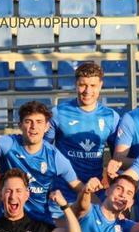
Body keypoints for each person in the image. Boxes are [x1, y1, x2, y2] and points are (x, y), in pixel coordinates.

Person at [0, 101, 81, 225]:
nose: (33, 127)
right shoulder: (8, 144)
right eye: (28, 121)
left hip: (39, 224)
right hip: (6, 221)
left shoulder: (55, 157)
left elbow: (77, 185)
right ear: (20, 125)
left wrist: (90, 192)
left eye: (39, 122)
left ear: (47, 127)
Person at [45, 62, 119, 202]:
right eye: (83, 85)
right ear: (75, 84)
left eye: (93, 85)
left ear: (101, 85)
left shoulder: (111, 117)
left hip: (95, 191)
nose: (87, 90)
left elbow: (118, 157)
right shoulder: (58, 113)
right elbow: (44, 150)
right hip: (63, 190)